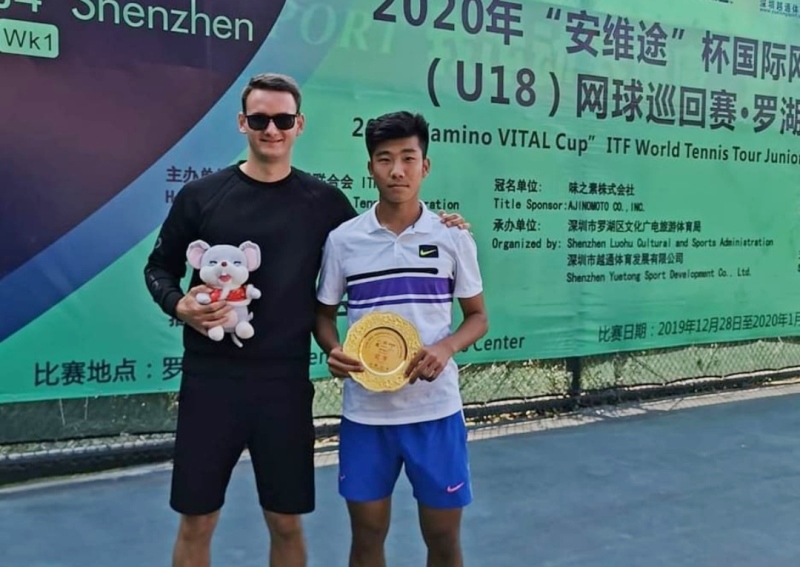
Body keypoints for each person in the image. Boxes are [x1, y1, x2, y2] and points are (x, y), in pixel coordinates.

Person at [143, 74, 469, 567]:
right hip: (210, 382)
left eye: (282, 119)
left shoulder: (326, 204)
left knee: (286, 523)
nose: (271, 130)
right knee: (197, 521)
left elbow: (383, 232)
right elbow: (158, 268)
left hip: (285, 387)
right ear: (242, 123)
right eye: (260, 119)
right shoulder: (201, 196)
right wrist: (178, 304)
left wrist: (444, 224)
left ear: (299, 124)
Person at [314, 110, 489, 567]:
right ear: (370, 167)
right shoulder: (343, 240)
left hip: (436, 414)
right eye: (385, 159)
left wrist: (446, 347)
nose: (397, 170)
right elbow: (323, 316)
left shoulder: (452, 237)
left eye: (408, 158)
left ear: (424, 166)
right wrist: (333, 349)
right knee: (367, 536)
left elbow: (477, 318)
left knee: (443, 539)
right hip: (366, 416)